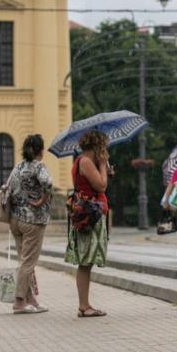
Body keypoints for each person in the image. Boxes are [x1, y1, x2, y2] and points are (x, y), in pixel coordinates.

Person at [6, 134, 53, 314]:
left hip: (15, 220)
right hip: (33, 220)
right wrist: (42, 199)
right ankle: (19, 301)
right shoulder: (38, 166)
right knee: (28, 263)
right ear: (40, 150)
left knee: (23, 260)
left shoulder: (17, 167)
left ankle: (30, 299)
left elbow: (8, 188)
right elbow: (47, 182)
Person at [65, 131, 110, 318]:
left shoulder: (82, 161)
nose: (106, 149)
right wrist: (102, 166)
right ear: (97, 145)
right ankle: (84, 306)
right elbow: (101, 186)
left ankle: (85, 304)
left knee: (87, 262)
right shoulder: (85, 161)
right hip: (90, 216)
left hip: (90, 214)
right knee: (85, 262)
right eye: (104, 145)